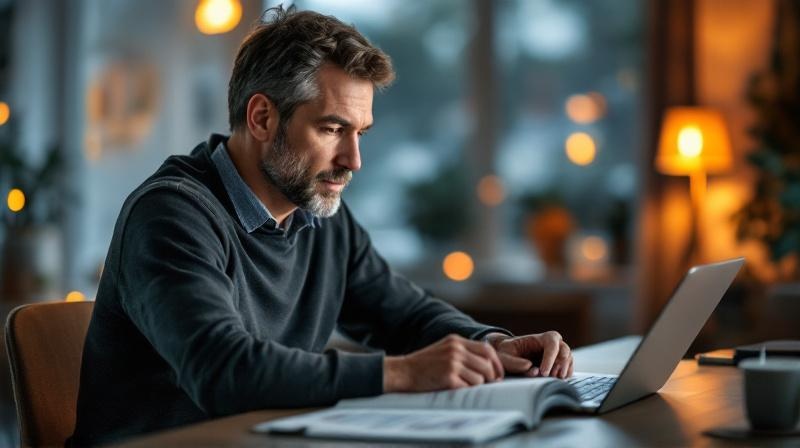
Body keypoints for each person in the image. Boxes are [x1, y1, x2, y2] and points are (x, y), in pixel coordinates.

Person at [69, 6, 573, 446]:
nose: (353, 160)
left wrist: (489, 344)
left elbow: (403, 314)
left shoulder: (318, 211)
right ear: (263, 117)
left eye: (360, 133)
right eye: (332, 129)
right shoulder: (171, 215)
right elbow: (223, 372)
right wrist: (400, 373)